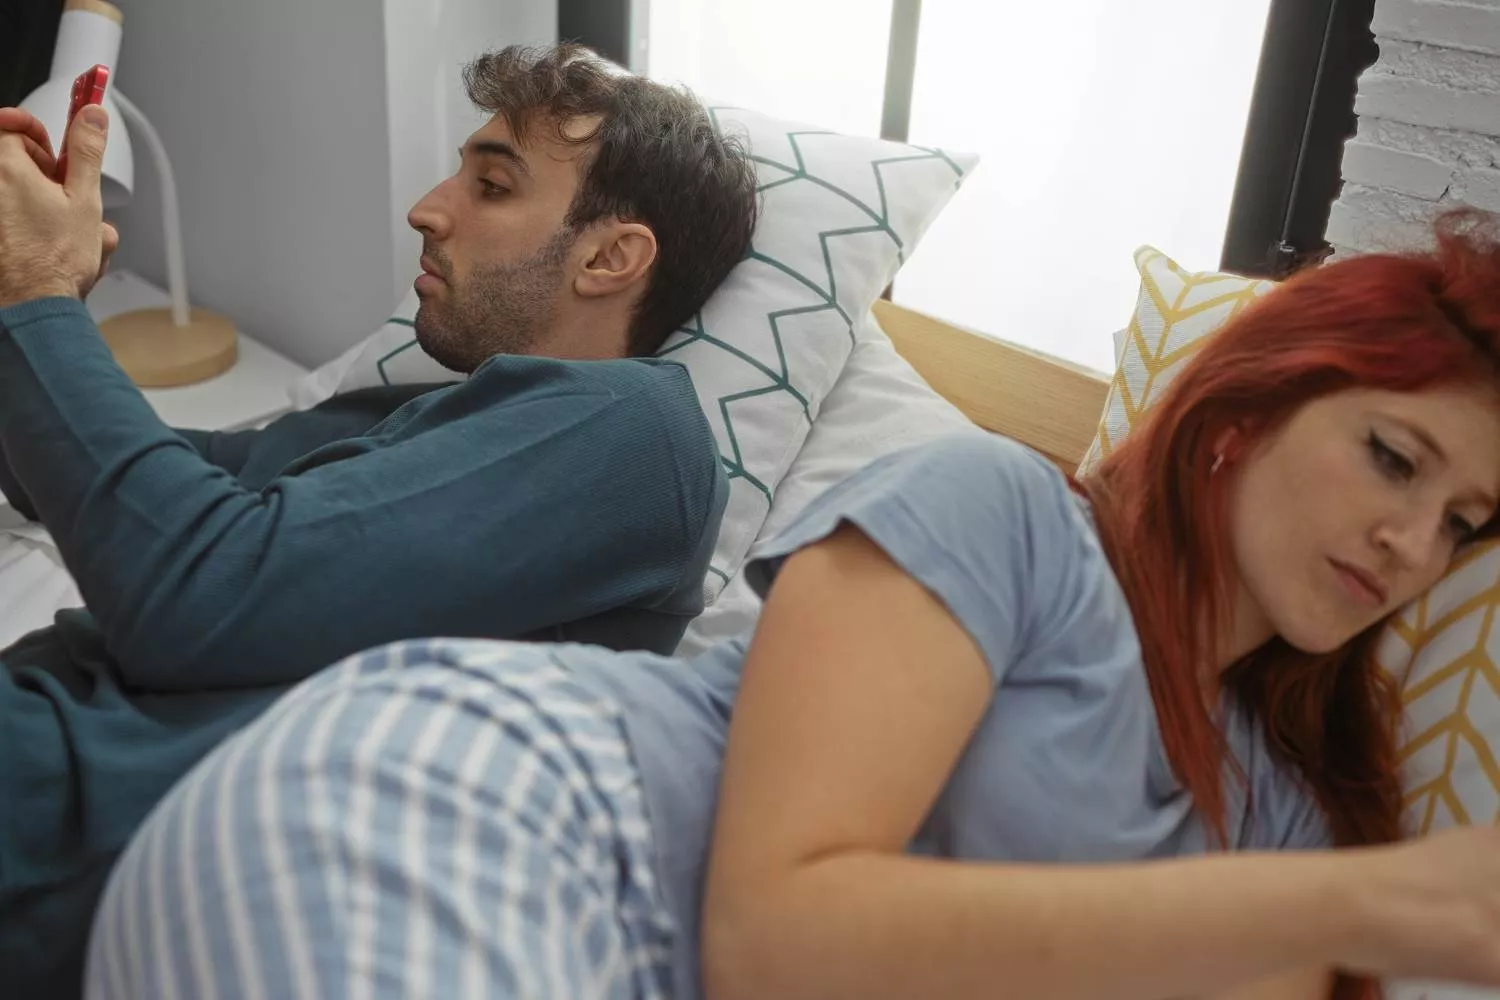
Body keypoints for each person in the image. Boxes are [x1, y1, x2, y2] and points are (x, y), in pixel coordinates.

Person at [88, 211, 1500, 1000]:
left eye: (1466, 525)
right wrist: (1370, 902)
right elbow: (779, 941)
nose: (1413, 540)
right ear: (1242, 416)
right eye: (1394, 455)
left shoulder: (1281, 815)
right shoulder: (1005, 517)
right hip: (498, 817)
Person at [0, 44, 758, 994]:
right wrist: (38, 301)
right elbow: (122, 497)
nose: (427, 209)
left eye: (490, 185)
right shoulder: (393, 413)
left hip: (77, 823)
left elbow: (194, 592)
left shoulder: (640, 433)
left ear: (610, 256)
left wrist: (33, 301)